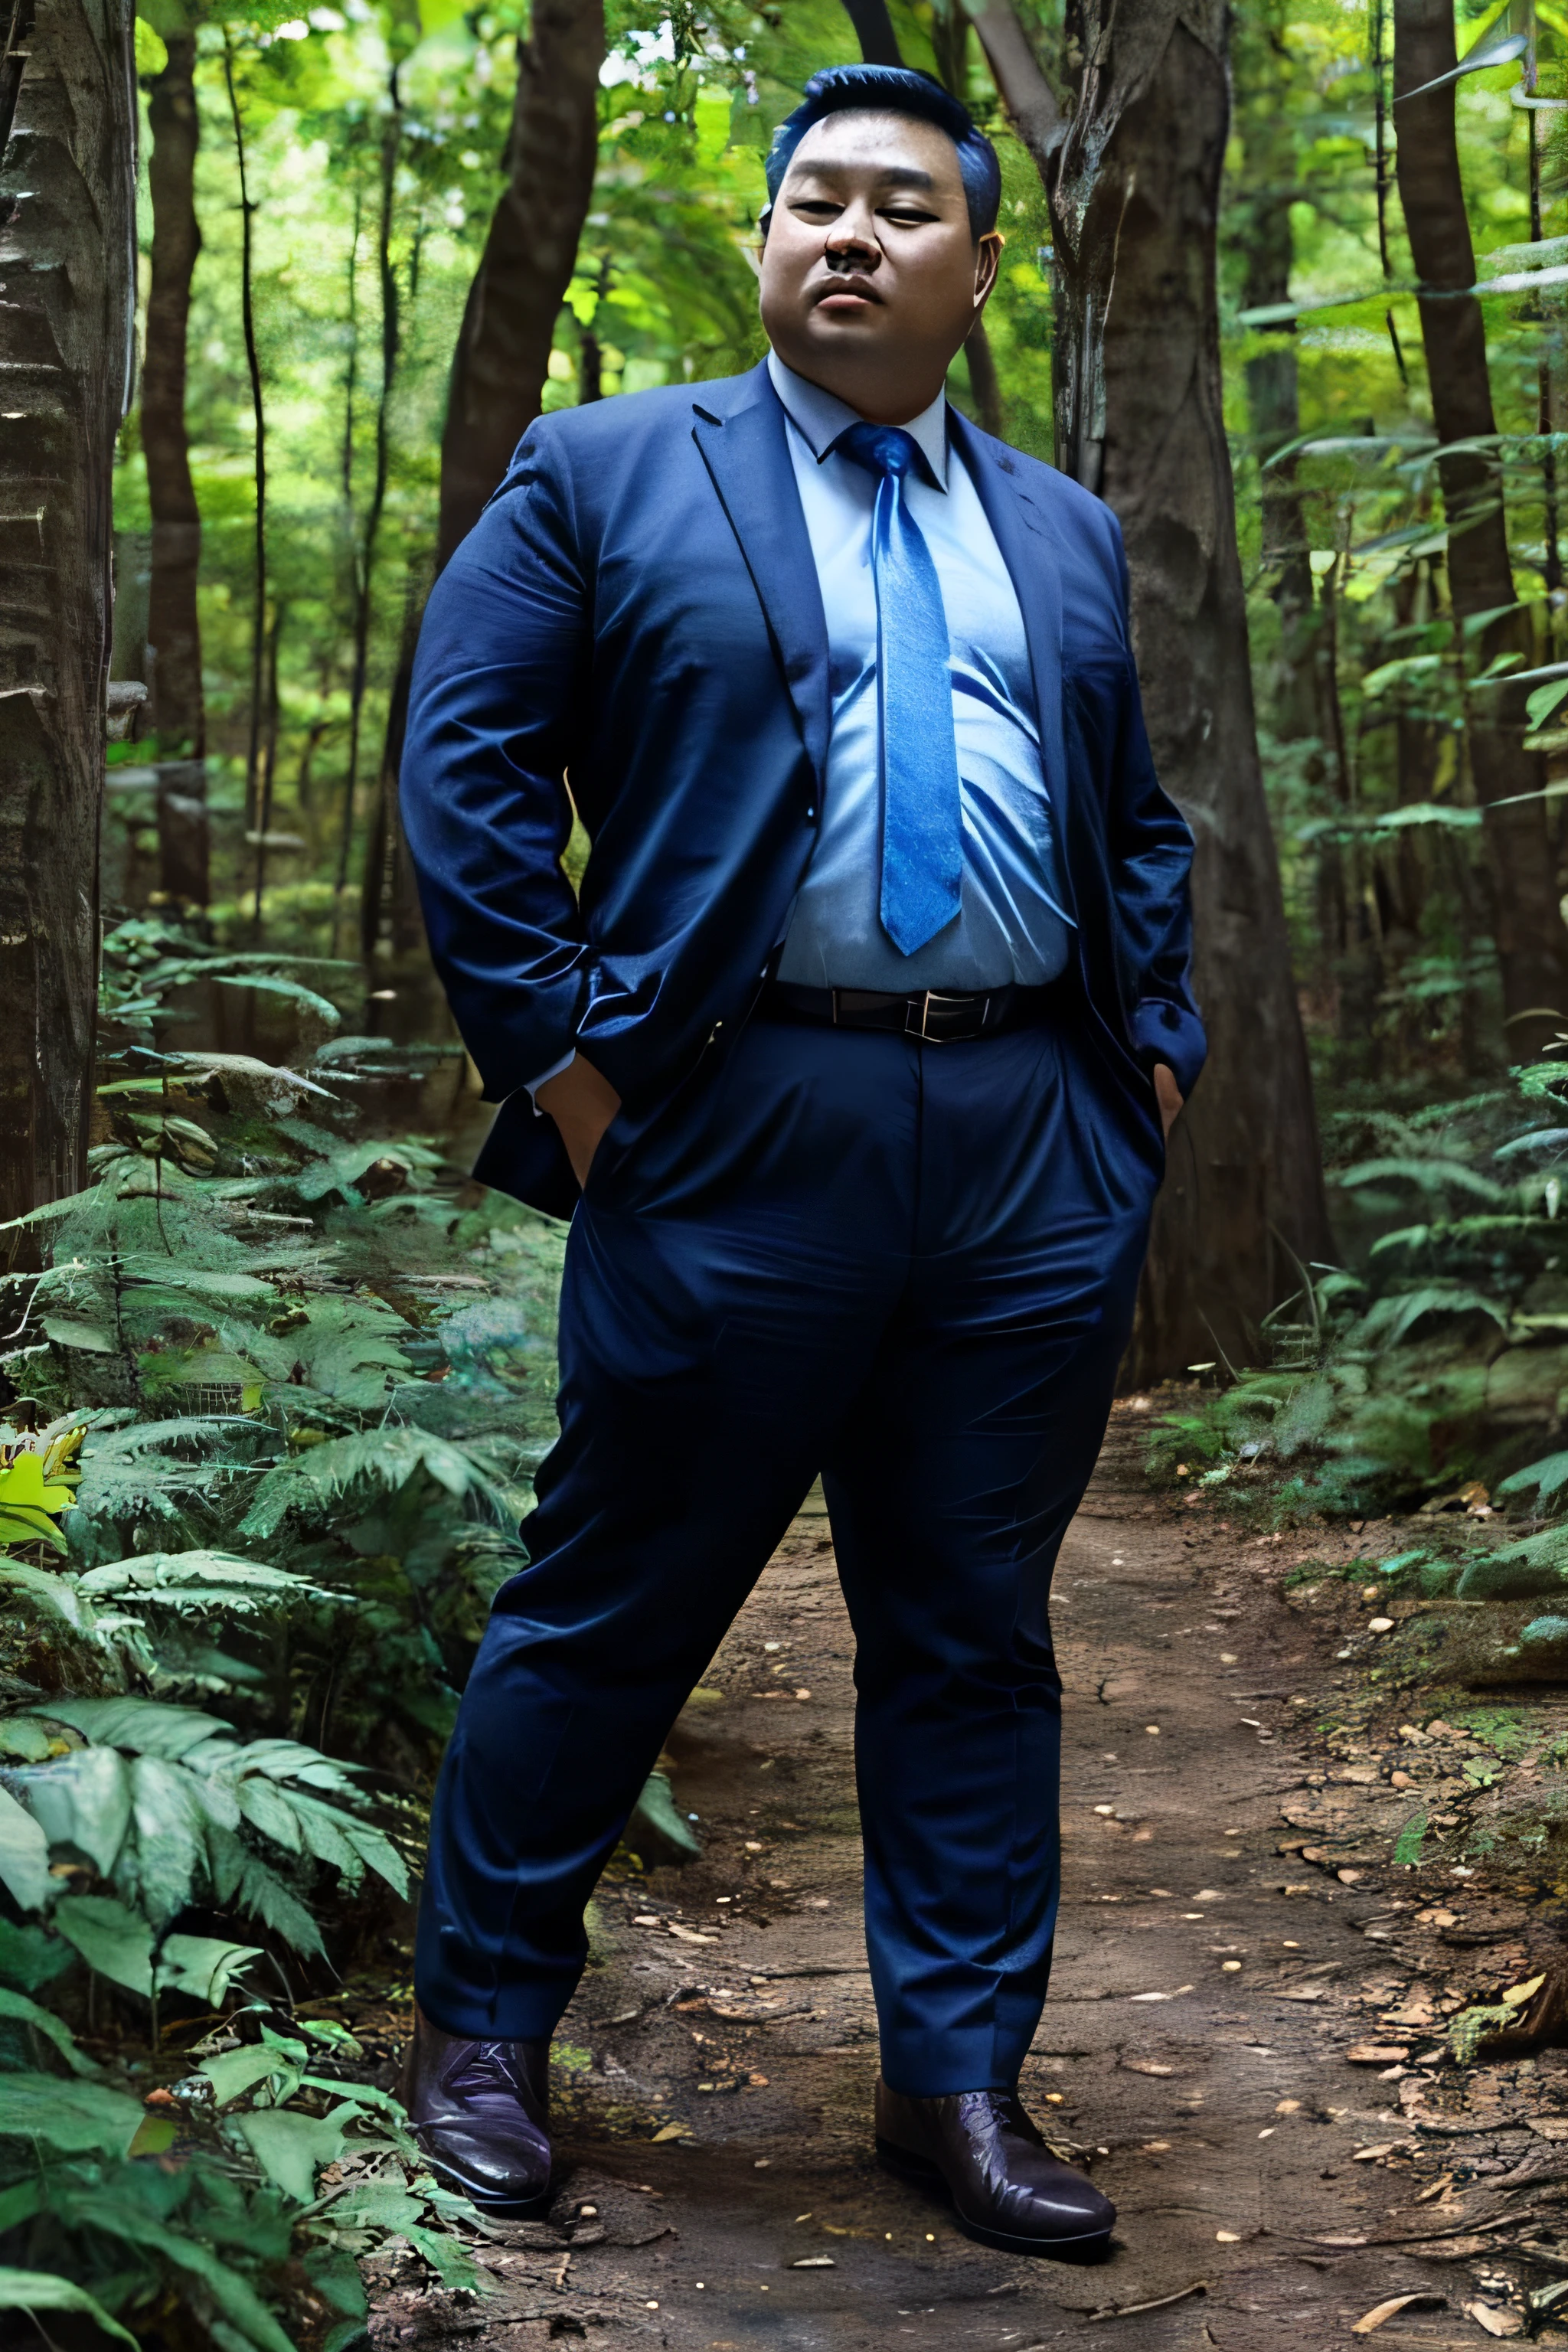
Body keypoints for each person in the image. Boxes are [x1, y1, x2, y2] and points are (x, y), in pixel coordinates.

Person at [397, 61, 1203, 2262]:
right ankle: (478, 2030)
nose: (846, 234)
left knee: (971, 1630)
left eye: (898, 208)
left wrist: (1149, 1060)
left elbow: (1132, 810)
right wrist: (568, 1067)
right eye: (810, 203)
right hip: (734, 1121)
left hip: (1031, 1133)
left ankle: (954, 2083)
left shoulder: (1060, 525)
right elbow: (462, 775)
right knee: (617, 1590)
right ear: (766, 248)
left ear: (974, 262)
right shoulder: (603, 472)